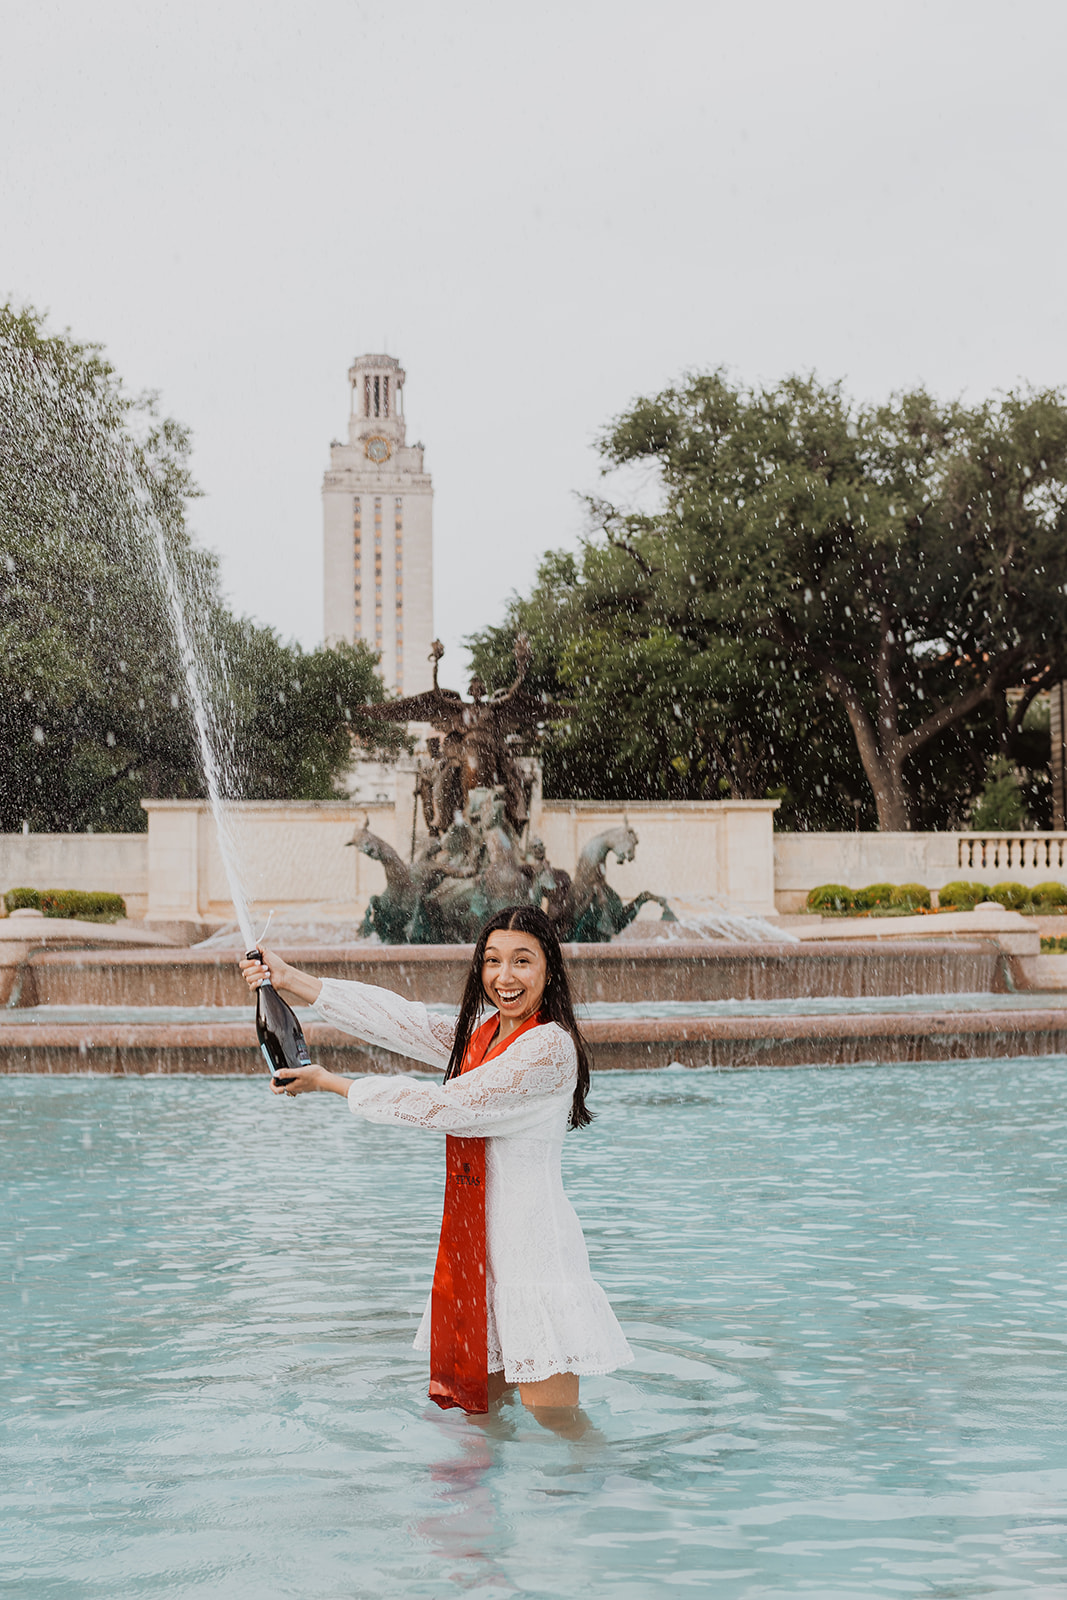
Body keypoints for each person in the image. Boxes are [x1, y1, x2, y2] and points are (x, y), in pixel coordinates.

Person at [239, 905, 633, 1419]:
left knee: (556, 1427)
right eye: (492, 961)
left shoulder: (549, 1049)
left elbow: (449, 1107)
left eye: (522, 961)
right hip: (479, 1255)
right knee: (481, 1417)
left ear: (549, 970)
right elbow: (402, 1022)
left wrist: (331, 1083)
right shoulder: (484, 1037)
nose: (504, 977)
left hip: (535, 1259)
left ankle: (604, 1495)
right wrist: (290, 980)